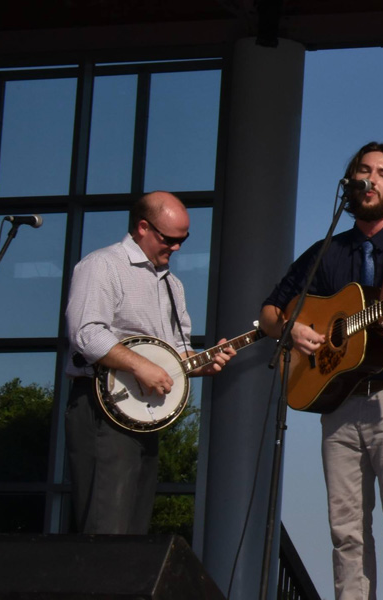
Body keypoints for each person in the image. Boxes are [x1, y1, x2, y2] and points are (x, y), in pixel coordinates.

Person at [260, 142, 383, 599]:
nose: (370, 179)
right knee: (346, 531)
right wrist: (292, 330)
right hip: (339, 400)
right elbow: (269, 312)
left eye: (382, 173)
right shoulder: (326, 250)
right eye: (362, 171)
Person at [66, 191, 236, 534]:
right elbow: (85, 333)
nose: (176, 248)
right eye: (170, 239)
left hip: (144, 417)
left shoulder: (173, 284)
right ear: (143, 227)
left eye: (183, 240)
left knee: (133, 532)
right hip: (102, 409)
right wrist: (139, 366)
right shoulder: (103, 265)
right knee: (106, 527)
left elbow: (176, 353)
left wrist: (202, 362)